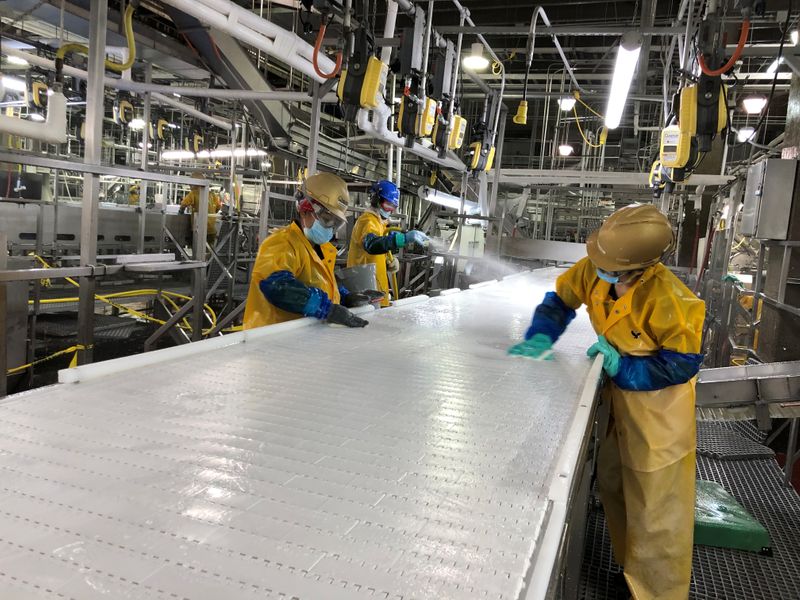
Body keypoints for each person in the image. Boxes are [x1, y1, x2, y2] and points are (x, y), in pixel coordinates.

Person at [509, 204, 705, 600]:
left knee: (657, 511)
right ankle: (631, 569)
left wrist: (624, 368)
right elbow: (560, 300)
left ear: (642, 266)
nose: (598, 268)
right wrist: (542, 333)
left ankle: (659, 593)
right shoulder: (597, 268)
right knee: (615, 485)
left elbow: (680, 366)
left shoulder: (671, 299)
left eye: (610, 265)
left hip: (658, 414)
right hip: (617, 403)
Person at [243, 171, 374, 330]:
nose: (331, 228)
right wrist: (326, 308)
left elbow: (316, 283)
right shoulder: (281, 243)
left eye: (336, 222)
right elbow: (277, 286)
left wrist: (345, 296)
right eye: (327, 219)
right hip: (270, 338)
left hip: (300, 338)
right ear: (305, 209)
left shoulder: (323, 249)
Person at [346, 179, 429, 306]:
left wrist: (387, 262)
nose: (390, 210)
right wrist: (404, 239)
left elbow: (381, 244)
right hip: (364, 289)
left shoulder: (380, 223)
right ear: (376, 200)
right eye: (388, 205)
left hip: (374, 287)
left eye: (393, 207)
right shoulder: (368, 221)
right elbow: (372, 244)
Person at [179, 170, 222, 248]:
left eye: (190, 184)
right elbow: (218, 207)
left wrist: (180, 212)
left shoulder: (193, 193)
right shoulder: (212, 194)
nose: (190, 186)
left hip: (198, 229)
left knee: (197, 250)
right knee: (209, 250)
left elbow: (183, 204)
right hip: (211, 229)